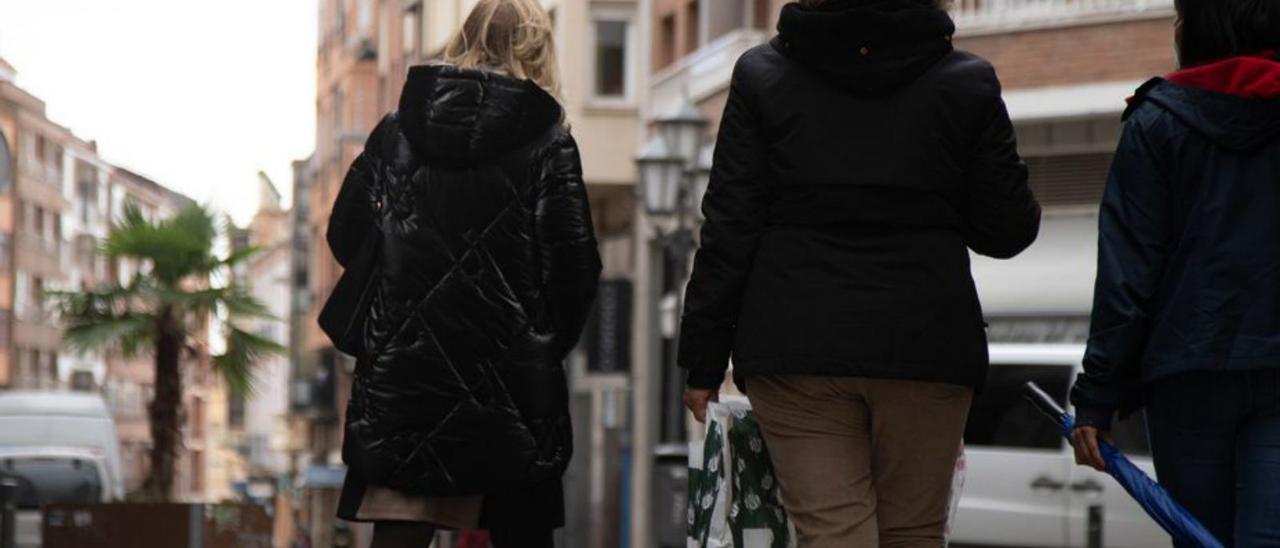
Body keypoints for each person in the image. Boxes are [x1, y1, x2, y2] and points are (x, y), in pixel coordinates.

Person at [678, 0, 1040, 545]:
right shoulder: (966, 84)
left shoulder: (763, 76)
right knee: (915, 532)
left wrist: (702, 359)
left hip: (797, 342)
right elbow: (1008, 230)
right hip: (925, 341)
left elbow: (730, 225)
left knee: (832, 532)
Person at [326, 0, 602, 546]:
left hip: (406, 381)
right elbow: (574, 270)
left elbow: (343, 234)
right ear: (538, 48)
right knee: (521, 528)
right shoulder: (549, 141)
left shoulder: (397, 131)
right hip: (512, 387)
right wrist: (539, 343)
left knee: (401, 532)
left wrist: (396, 299)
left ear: (464, 37)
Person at [1068, 1, 1280, 545]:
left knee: (1198, 535)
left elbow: (1128, 273)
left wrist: (1096, 396)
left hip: (1188, 373)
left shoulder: (1157, 121)